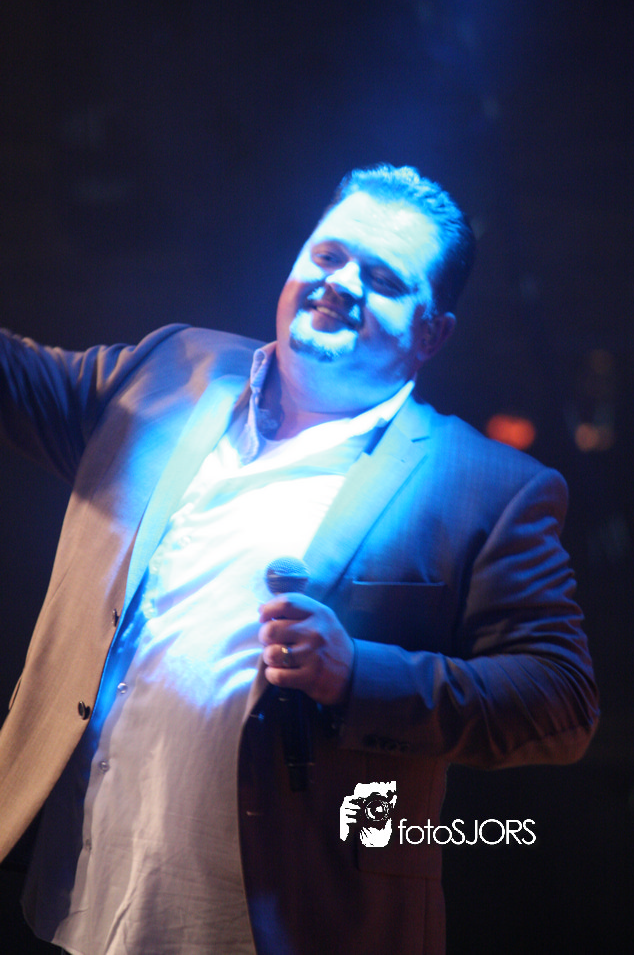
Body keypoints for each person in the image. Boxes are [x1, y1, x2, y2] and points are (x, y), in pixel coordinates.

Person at [0, 164, 599, 955]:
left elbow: (561, 701)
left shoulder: (486, 487)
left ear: (432, 333)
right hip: (70, 909)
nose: (341, 282)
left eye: (383, 279)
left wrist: (356, 674)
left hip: (287, 929)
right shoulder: (174, 370)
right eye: (328, 254)